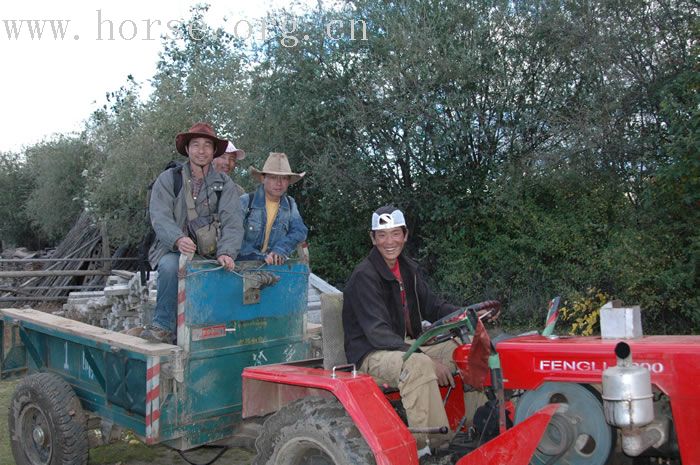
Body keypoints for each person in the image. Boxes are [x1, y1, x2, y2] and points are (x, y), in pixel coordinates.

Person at [342, 206, 496, 456]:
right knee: (419, 366)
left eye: (395, 234)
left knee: (465, 350)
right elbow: (378, 333)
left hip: (403, 344)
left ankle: (477, 425)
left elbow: (433, 307)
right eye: (381, 235)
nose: (389, 242)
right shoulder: (364, 277)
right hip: (372, 351)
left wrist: (468, 313)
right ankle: (431, 448)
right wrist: (423, 355)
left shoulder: (408, 270)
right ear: (372, 239)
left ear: (405, 235)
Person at [142, 122, 244, 343]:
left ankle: (225, 332)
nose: (201, 150)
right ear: (187, 149)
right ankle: (163, 324)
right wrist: (177, 239)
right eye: (195, 144)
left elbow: (233, 221)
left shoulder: (225, 184)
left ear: (214, 150)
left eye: (207, 145)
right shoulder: (169, 179)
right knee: (169, 267)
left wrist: (227, 252)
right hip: (174, 249)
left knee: (232, 274)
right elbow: (159, 216)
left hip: (212, 251)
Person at [237, 152, 307, 265]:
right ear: (263, 178)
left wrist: (281, 249)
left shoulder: (290, 204)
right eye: (273, 177)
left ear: (288, 181)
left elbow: (300, 231)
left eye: (284, 178)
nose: (279, 183)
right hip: (242, 265)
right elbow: (232, 234)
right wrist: (259, 257)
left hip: (274, 266)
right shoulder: (245, 201)